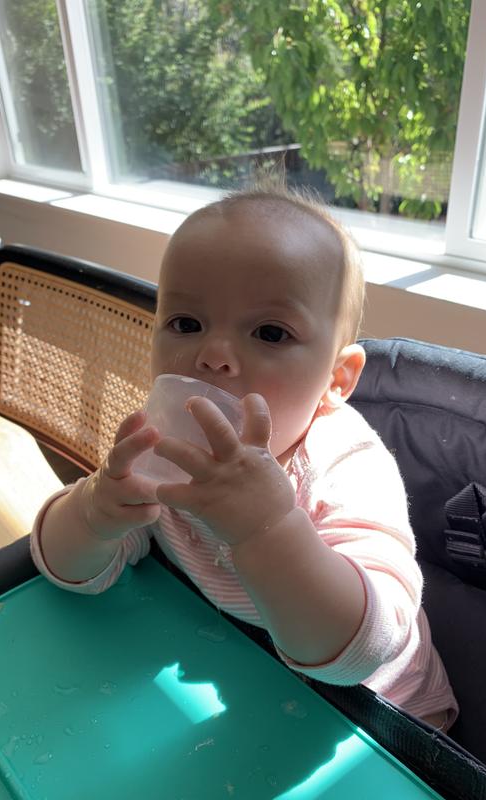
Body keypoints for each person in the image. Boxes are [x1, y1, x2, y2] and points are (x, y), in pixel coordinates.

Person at [31, 185, 458, 730]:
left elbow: (368, 646)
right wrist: (96, 514)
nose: (213, 356)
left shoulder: (346, 464)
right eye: (186, 323)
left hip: (382, 719)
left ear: (336, 380)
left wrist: (266, 529)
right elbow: (69, 571)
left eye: (270, 332)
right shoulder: (165, 445)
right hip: (246, 674)